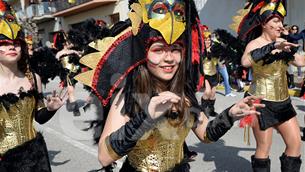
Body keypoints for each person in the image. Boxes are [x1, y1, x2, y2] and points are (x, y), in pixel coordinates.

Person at [75, 0, 265, 171]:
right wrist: (146, 118)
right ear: (144, 53)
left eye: (175, 50)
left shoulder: (183, 89)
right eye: (158, 50)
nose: (169, 58)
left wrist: (230, 115)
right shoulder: (129, 91)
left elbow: (206, 134)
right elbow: (104, 157)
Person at [235, 0, 305, 171]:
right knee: (263, 149)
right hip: (260, 103)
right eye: (275, 21)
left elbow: (300, 62)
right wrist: (272, 46)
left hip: (283, 103)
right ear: (264, 23)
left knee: (295, 144)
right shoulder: (255, 44)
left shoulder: (284, 42)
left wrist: (287, 47)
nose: (280, 25)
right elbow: (245, 61)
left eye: (281, 21)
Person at [0, 1, 65, 171]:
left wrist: (51, 109)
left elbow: (38, 117)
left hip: (37, 157)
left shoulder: (32, 78)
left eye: (15, 43)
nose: (11, 47)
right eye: (4, 43)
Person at [201, 30, 219, 117]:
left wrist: (215, 57)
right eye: (205, 40)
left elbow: (216, 63)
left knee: (212, 94)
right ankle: (203, 109)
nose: (207, 41)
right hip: (205, 75)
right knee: (207, 92)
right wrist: (205, 56)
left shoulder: (214, 49)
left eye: (208, 40)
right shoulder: (201, 50)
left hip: (214, 74)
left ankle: (211, 110)